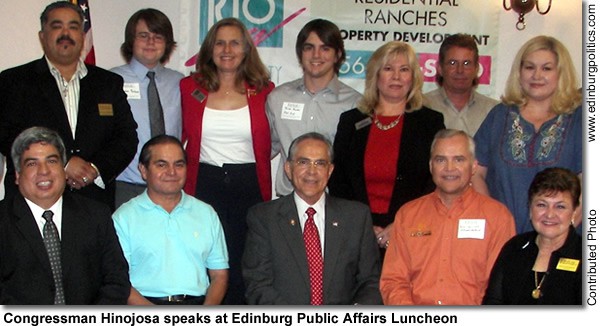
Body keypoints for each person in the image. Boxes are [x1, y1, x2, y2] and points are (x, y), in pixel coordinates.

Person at [0, 1, 138, 211]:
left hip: (93, 199)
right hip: (31, 201)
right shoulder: (14, 81)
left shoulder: (108, 83)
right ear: (42, 36)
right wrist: (63, 163)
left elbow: (126, 137)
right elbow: (6, 134)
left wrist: (94, 169)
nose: (66, 33)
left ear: (83, 36)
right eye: (57, 26)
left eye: (73, 27)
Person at [179, 17, 273, 304]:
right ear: (210, 49)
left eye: (234, 42)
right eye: (220, 43)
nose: (227, 49)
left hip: (249, 185)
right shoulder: (188, 88)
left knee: (244, 260)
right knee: (205, 257)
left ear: (246, 49)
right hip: (204, 183)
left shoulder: (264, 90)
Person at [328, 41, 445, 252]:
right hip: (357, 232)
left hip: (413, 231)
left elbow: (434, 182)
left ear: (413, 78)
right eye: (388, 69)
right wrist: (363, 226)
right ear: (376, 75)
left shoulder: (430, 123)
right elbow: (338, 181)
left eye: (404, 70)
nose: (396, 77)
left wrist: (401, 224)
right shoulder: (351, 122)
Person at [243, 132, 382, 305]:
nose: (312, 171)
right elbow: (257, 285)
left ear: (330, 171)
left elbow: (370, 281)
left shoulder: (356, 217)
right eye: (303, 162)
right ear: (288, 168)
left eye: (320, 163)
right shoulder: (264, 218)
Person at [380, 129, 515, 305]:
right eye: (440, 160)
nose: (449, 168)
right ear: (430, 166)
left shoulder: (498, 217)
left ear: (474, 166)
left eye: (458, 159)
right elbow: (393, 281)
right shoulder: (408, 215)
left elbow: (500, 288)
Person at [0, 127, 130, 304]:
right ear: (17, 175)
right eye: (32, 163)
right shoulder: (4, 220)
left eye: (52, 161)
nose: (43, 171)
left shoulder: (96, 215)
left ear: (63, 170)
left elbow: (116, 281)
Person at [473, 35, 582, 234]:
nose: (536, 75)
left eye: (546, 68)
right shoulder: (500, 116)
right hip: (503, 237)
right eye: (529, 67)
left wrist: (564, 230)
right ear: (519, 72)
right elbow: (476, 172)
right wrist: (493, 218)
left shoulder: (579, 119)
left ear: (561, 73)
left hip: (562, 239)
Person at [113, 135, 228, 305]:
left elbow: (219, 275)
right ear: (143, 170)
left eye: (179, 164)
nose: (172, 172)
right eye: (162, 165)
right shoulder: (124, 218)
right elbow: (118, 281)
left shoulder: (206, 213)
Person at [268, 18, 361, 197]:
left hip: (334, 204)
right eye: (309, 47)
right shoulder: (278, 98)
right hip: (287, 203)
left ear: (338, 54)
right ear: (300, 53)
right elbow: (265, 149)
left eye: (325, 48)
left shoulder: (355, 104)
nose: (316, 55)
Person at [111, 8, 184, 208]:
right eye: (143, 36)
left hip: (170, 187)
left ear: (167, 44)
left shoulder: (180, 83)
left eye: (158, 36)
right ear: (131, 41)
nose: (151, 42)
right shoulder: (111, 82)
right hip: (126, 185)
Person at [483, 167, 582, 305]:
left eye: (560, 207)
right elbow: (493, 302)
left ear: (574, 211)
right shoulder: (514, 247)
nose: (549, 214)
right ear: (530, 209)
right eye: (541, 205)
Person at [423, 33, 498, 136]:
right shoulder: (422, 106)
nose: (460, 70)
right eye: (452, 63)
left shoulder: (494, 111)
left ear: (476, 69)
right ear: (440, 68)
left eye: (466, 63)